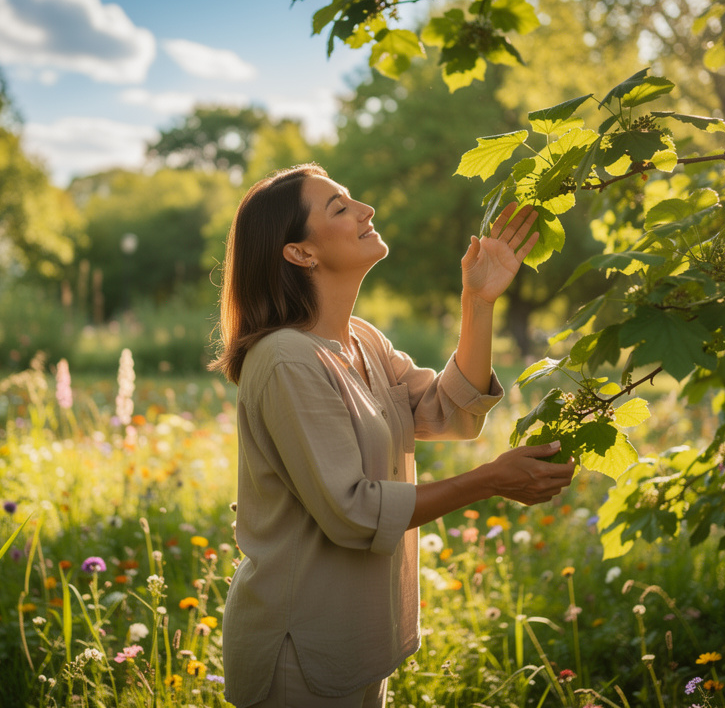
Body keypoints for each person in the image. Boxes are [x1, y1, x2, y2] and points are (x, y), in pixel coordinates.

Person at [209, 163, 576, 707]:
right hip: (299, 649)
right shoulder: (286, 359)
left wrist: (478, 301)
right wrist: (490, 481)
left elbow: (451, 413)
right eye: (340, 207)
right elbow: (353, 512)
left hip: (359, 641)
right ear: (301, 253)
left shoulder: (362, 340)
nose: (367, 210)